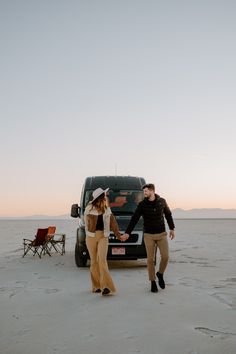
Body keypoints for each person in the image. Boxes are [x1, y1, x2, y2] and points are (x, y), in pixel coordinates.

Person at [123, 183, 175, 293]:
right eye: (144, 192)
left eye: (145, 191)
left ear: (152, 191)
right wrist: (128, 232)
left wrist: (172, 228)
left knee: (165, 257)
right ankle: (152, 282)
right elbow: (135, 218)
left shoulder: (162, 201)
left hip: (161, 234)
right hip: (148, 235)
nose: (144, 193)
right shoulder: (142, 204)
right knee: (150, 259)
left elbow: (168, 215)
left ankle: (160, 274)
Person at [84, 187, 128, 296]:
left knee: (102, 261)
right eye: (104, 195)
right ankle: (96, 286)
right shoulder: (89, 208)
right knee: (94, 262)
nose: (106, 197)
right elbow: (86, 224)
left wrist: (118, 235)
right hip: (91, 237)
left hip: (103, 236)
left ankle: (106, 287)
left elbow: (113, 223)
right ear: (99, 197)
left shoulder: (107, 208)